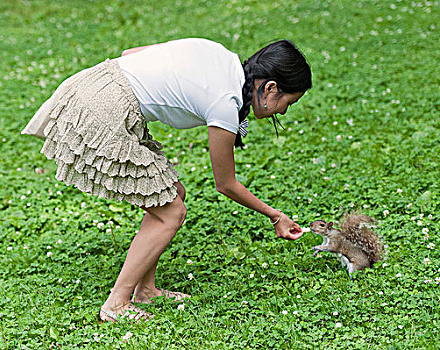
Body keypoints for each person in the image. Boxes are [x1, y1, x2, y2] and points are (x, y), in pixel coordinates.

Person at [21, 37, 312, 322]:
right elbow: (225, 183)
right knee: (171, 210)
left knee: (171, 194)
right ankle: (117, 303)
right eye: (289, 102)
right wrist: (275, 216)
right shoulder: (226, 101)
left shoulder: (219, 55)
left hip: (97, 83)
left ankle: (145, 290)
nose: (285, 111)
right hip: (101, 110)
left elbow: (131, 51)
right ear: (271, 88)